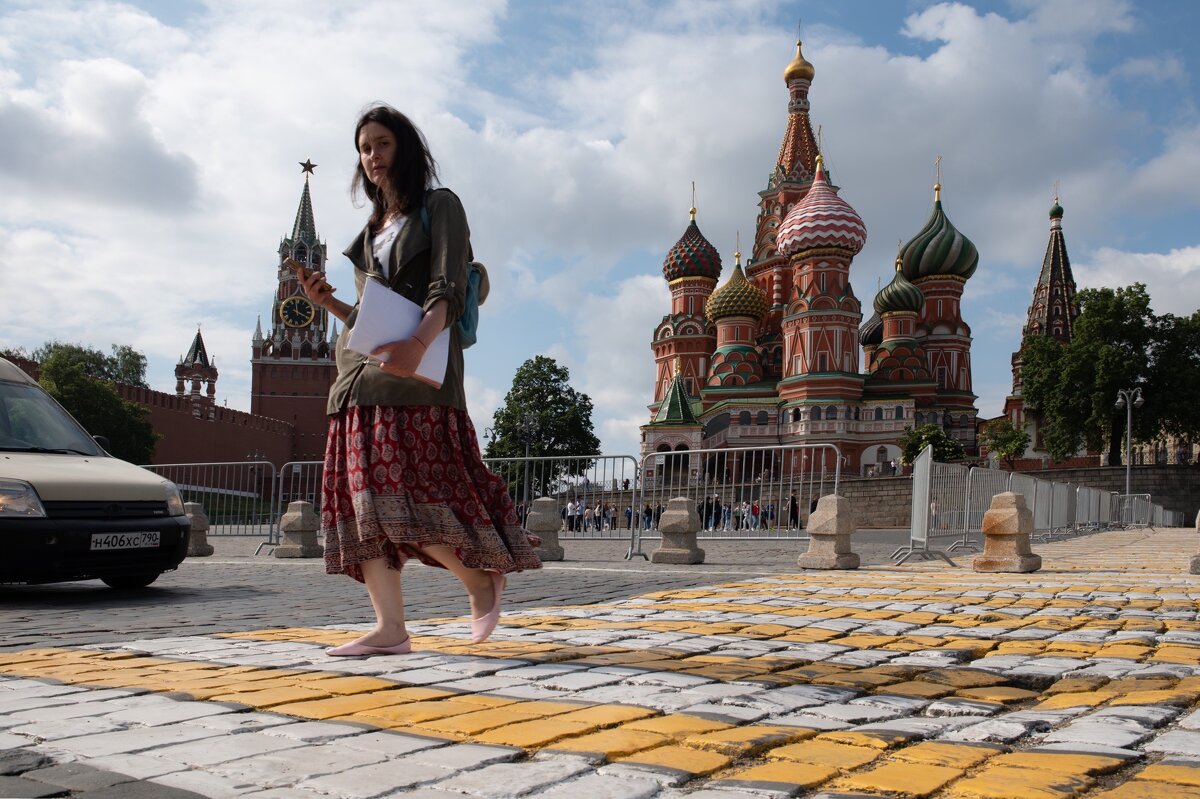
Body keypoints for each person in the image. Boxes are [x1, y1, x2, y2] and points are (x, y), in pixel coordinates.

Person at [299, 105, 540, 657]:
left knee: (409, 495)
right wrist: (330, 301)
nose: (372, 157)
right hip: (356, 381)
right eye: (364, 148)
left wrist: (417, 344)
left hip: (418, 378)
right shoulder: (369, 234)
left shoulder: (440, 206)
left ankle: (479, 580)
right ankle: (391, 628)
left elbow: (449, 288)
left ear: (405, 148)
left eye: (382, 144)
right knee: (365, 507)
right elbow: (371, 314)